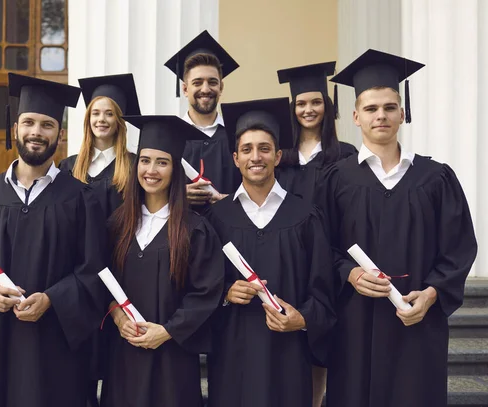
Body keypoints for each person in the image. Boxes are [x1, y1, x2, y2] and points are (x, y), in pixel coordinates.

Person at [322, 49, 478, 407]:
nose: (382, 116)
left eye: (390, 107)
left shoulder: (436, 178)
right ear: (355, 116)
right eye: (372, 109)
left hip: (416, 321)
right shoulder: (336, 180)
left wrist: (432, 294)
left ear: (402, 114)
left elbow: (459, 249)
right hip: (355, 324)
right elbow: (321, 248)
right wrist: (349, 274)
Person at [0, 73, 107, 407]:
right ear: (16, 127)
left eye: (47, 125)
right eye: (29, 122)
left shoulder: (81, 200)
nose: (37, 132)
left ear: (59, 135)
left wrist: (53, 299)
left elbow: (94, 273)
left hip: (55, 352)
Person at [205, 98, 336, 407]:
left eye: (264, 149)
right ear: (235, 158)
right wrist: (225, 292)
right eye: (247, 149)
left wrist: (302, 319)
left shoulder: (306, 216)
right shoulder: (216, 218)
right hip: (232, 355)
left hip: (288, 356)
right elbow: (199, 286)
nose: (256, 157)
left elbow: (324, 291)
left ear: (278, 156)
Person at [100, 116, 225, 407]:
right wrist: (118, 318)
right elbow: (102, 282)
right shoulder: (117, 225)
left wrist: (168, 331)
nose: (151, 170)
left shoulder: (194, 229)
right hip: (124, 355)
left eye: (162, 162)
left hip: (173, 358)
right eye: (144, 161)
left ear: (175, 170)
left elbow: (206, 292)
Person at [165, 30, 241, 207]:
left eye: (212, 82)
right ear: (185, 89)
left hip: (230, 231)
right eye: (197, 83)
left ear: (221, 87)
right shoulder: (170, 138)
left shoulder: (237, 135)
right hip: (183, 231)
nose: (205, 89)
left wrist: (231, 201)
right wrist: (177, 195)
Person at [60, 73, 141, 218]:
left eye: (109, 114)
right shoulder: (68, 167)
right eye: (95, 113)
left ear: (119, 121)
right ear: (88, 119)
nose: (101, 119)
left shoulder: (133, 165)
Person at [276, 61, 357, 203]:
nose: (308, 110)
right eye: (301, 104)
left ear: (326, 106)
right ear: (293, 109)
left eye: (316, 102)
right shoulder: (280, 158)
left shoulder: (345, 154)